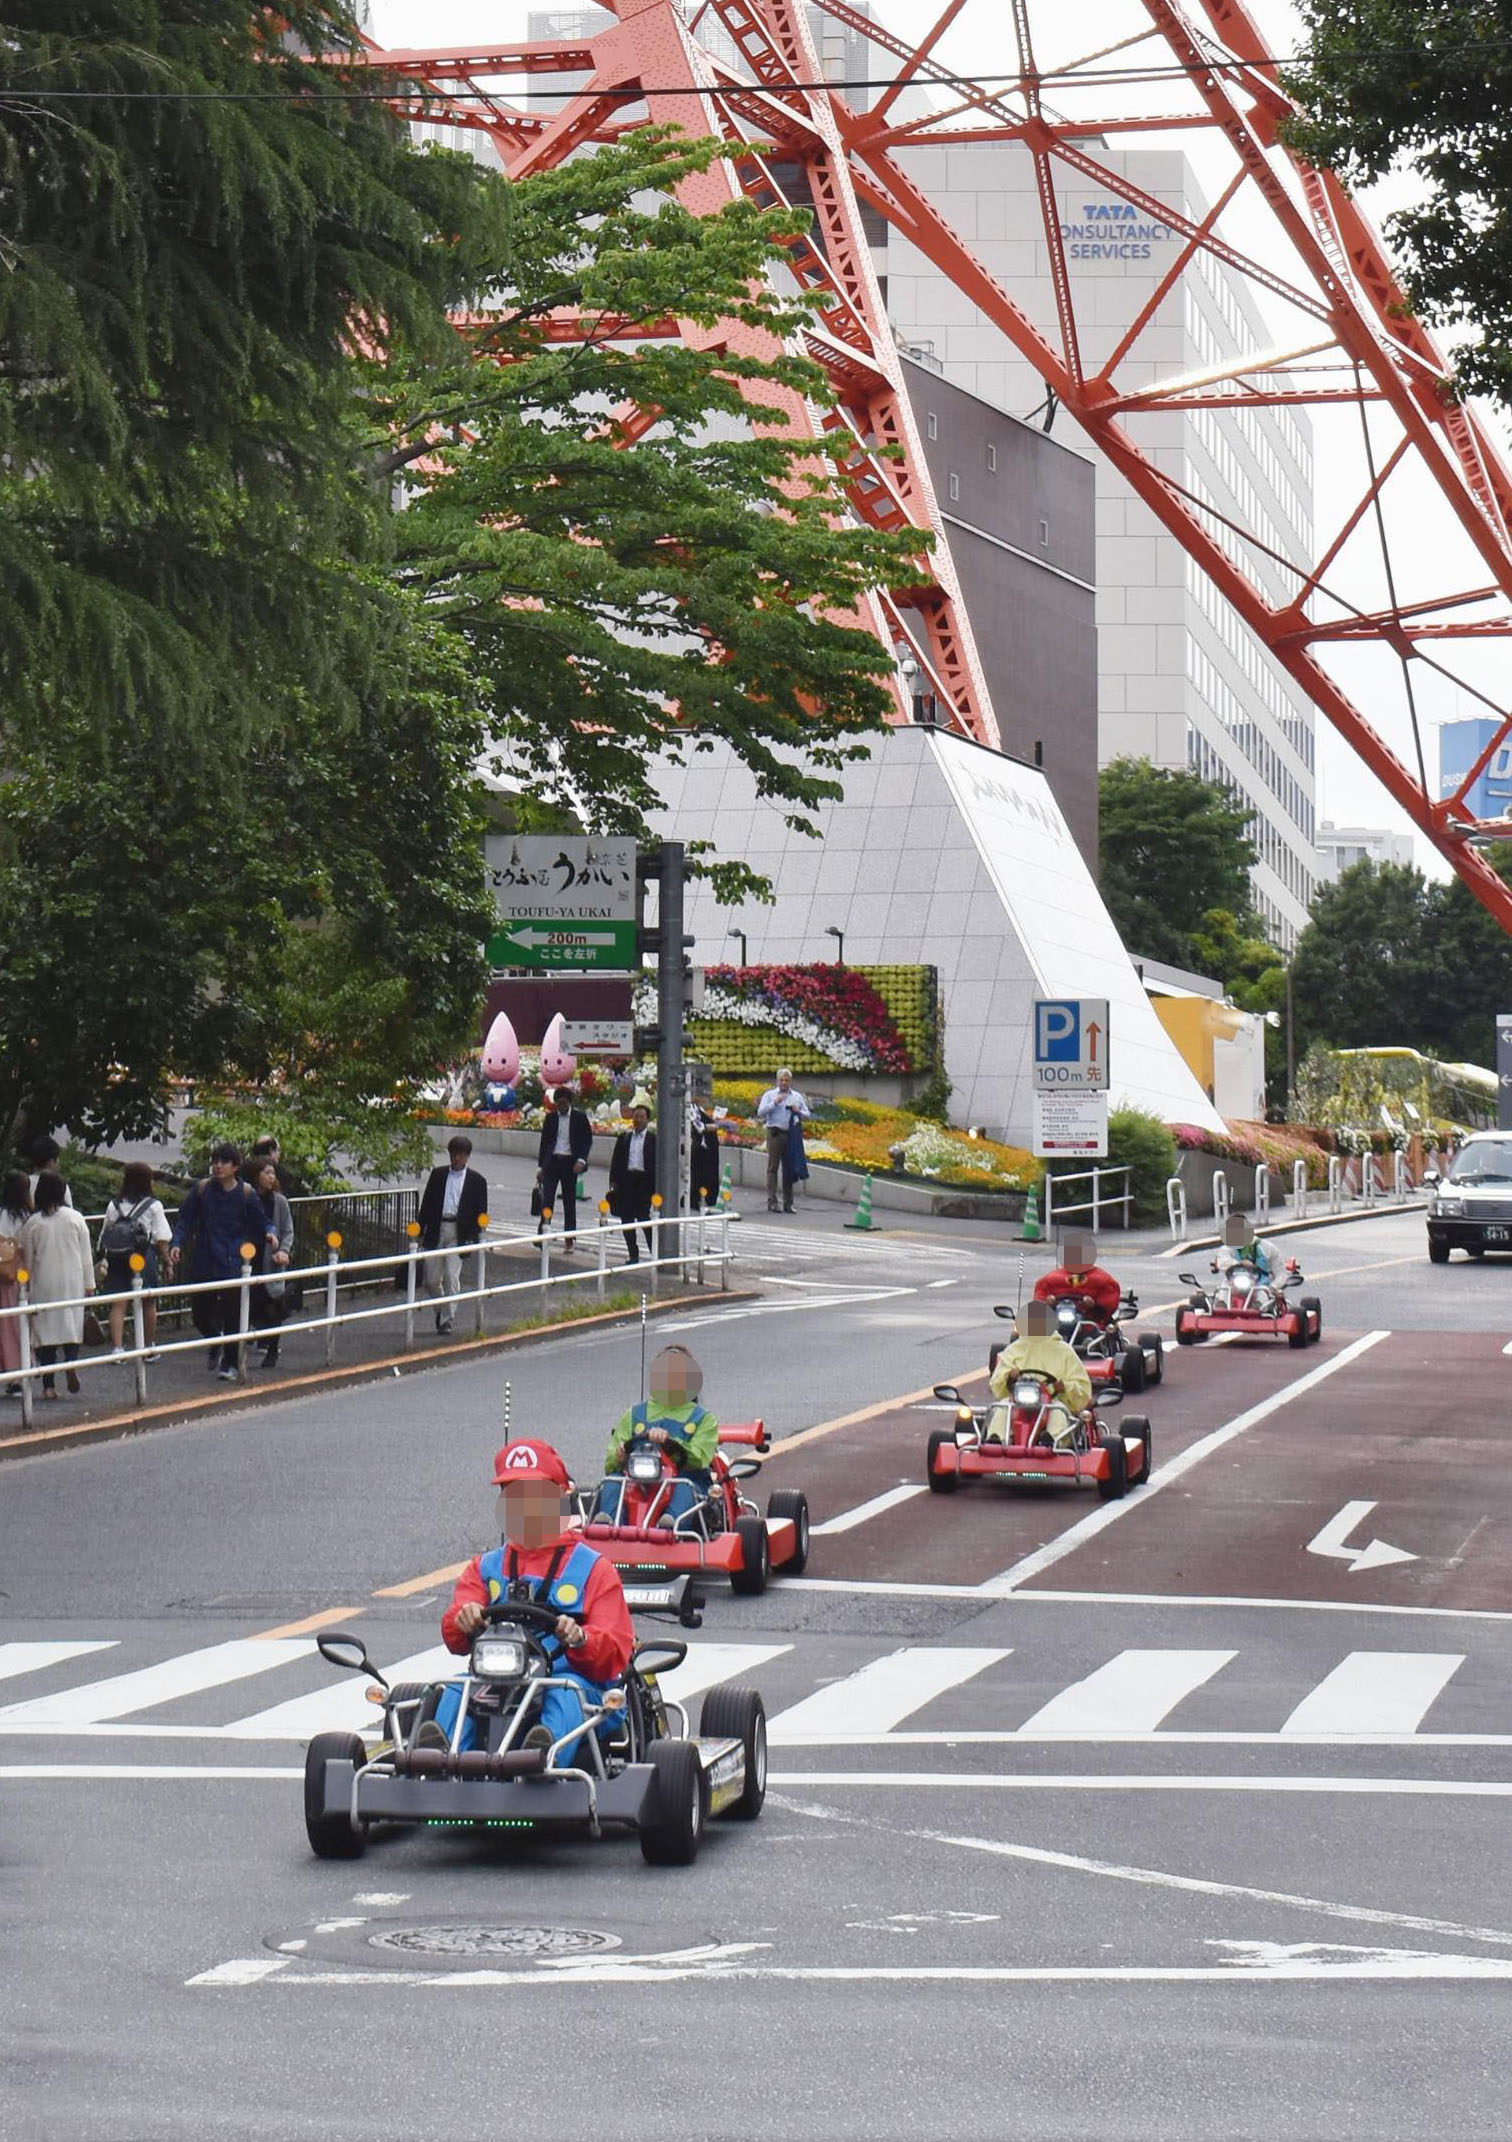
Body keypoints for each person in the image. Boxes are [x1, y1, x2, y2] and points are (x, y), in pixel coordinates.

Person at [426, 1438, 634, 1766]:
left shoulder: (594, 1570)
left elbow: (614, 1654)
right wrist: (463, 1619)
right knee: (457, 1688)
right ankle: (438, 1761)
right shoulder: (485, 1568)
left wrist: (580, 1638)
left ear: (561, 1497)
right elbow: (455, 1635)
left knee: (565, 1694)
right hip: (497, 1680)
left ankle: (541, 1756)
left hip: (573, 1682)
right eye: (514, 1497)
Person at [169, 1144, 276, 1381]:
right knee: (200, 1314)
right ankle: (214, 1339)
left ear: (235, 1167)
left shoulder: (246, 1193)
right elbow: (185, 1220)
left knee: (232, 1314)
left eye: (224, 1161)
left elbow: (262, 1220)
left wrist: (271, 1233)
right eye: (215, 1161)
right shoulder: (202, 1189)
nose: (218, 1166)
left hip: (233, 1261)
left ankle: (230, 1363)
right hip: (205, 1259)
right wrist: (177, 1243)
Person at [598, 1344, 720, 1527]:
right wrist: (619, 1456)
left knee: (686, 1487)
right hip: (637, 1481)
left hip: (682, 1480)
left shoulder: (703, 1418)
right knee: (612, 1483)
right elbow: (609, 1464)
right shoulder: (633, 1414)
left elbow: (701, 1458)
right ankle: (608, 1526)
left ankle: (671, 1525)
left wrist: (671, 1443)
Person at [20, 1171, 95, 1398]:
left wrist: (27, 1285)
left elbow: (28, 1260)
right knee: (71, 1326)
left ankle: (48, 1386)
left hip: (44, 1282)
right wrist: (89, 1284)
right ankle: (71, 1364)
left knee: (45, 1332)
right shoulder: (76, 1218)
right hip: (72, 1279)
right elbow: (86, 1257)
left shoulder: (32, 1223)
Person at [987, 1296, 1093, 1448]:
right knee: (1003, 1407)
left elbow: (1082, 1389)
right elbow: (997, 1385)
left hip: (1053, 1401)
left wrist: (1064, 1386)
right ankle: (995, 1441)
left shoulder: (1064, 1351)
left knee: (1058, 1411)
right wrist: (1009, 1376)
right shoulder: (1014, 1350)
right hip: (1018, 1402)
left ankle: (1051, 1442)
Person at [97, 1161, 172, 1359]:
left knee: (119, 1303)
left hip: (116, 1256)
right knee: (148, 1301)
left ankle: (118, 1349)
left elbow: (105, 1233)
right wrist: (167, 1261)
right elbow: (162, 1237)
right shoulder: (153, 1205)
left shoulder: (114, 1205)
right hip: (142, 1256)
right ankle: (148, 1347)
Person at [417, 1134, 489, 1336]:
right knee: (430, 1280)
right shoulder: (438, 1175)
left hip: (459, 1232)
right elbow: (427, 1203)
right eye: (453, 1154)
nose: (456, 1158)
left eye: (460, 1155)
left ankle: (447, 1320)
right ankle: (442, 1310)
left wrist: (473, 1236)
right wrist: (420, 1228)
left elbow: (481, 1211)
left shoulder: (477, 1181)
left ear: (467, 1156)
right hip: (437, 1228)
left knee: (451, 1276)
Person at [246, 1157, 294, 1367]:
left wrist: (283, 1250)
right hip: (249, 1258)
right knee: (251, 1305)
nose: (271, 1177)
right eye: (266, 1172)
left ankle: (272, 1349)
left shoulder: (279, 1202)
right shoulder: (246, 1198)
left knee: (273, 1307)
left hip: (272, 1260)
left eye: (272, 1173)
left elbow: (288, 1230)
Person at [535, 1085, 593, 1250]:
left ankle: (569, 1238)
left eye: (563, 1103)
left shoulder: (579, 1118)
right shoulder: (551, 1118)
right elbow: (544, 1143)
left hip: (570, 1164)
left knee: (569, 1202)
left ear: (569, 1102)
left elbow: (587, 1141)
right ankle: (543, 1235)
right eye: (558, 1104)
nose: (560, 1107)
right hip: (552, 1162)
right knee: (547, 1200)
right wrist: (540, 1167)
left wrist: (581, 1160)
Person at [1032, 1231, 1122, 1327]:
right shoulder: (1050, 1279)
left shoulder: (1103, 1280)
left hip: (1089, 1322)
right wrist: (1048, 1302)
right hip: (1056, 1322)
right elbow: (1039, 1301)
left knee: (1099, 1332)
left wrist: (1093, 1306)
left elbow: (1107, 1309)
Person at [755, 1068, 812, 1213]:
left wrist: (798, 1110)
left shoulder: (797, 1096)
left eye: (786, 1080)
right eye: (781, 1080)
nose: (784, 1083)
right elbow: (760, 1112)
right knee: (773, 1168)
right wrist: (774, 1103)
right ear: (777, 1081)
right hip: (775, 1133)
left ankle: (788, 1203)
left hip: (791, 1134)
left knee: (789, 1169)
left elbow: (807, 1114)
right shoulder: (769, 1095)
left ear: (790, 1081)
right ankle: (772, 1201)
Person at [608, 1105, 656, 1265]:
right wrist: (613, 1182)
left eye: (641, 1117)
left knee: (644, 1218)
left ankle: (654, 1253)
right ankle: (633, 1254)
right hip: (627, 1181)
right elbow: (616, 1162)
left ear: (647, 1120)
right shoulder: (624, 1138)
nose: (638, 1120)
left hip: (644, 1182)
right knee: (626, 1219)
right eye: (636, 1116)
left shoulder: (653, 1140)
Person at [0, 1172, 32, 1396]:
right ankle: (18, 1373)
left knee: (5, 1326)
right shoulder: (28, 1217)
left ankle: (8, 1370)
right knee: (18, 1323)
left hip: (2, 1271)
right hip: (19, 1273)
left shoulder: (2, 1214)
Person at [1217, 1213, 1273, 1286]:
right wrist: (1239, 1263)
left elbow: (1275, 1268)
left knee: (1264, 1296)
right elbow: (1223, 1262)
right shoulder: (1226, 1249)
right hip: (1233, 1286)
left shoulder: (1261, 1247)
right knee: (1222, 1294)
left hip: (1259, 1286)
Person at [690, 1103, 721, 1212]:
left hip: (709, 1146)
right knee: (699, 1175)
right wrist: (713, 1126)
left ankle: (707, 1199)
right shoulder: (691, 1108)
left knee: (708, 1174)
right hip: (700, 1147)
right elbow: (698, 1126)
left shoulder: (701, 1109)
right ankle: (696, 1200)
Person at [26, 1136, 73, 1207]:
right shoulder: (60, 1186)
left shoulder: (23, 1184)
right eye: (57, 1159)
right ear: (51, 1162)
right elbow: (68, 1213)